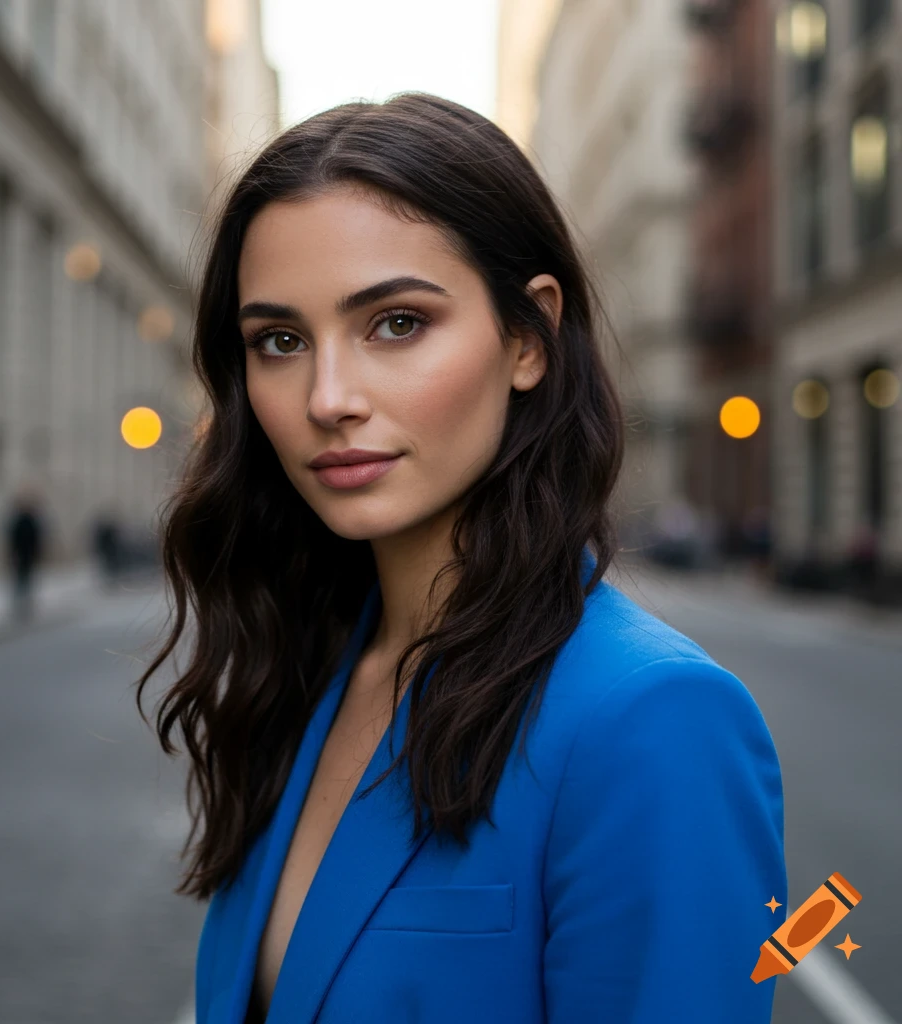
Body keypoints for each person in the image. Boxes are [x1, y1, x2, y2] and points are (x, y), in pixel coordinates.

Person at [136, 94, 786, 1024]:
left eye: (396, 323)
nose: (328, 397)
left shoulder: (651, 717)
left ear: (528, 337)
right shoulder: (303, 669)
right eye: (278, 341)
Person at [3, 490, 44, 620]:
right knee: (22, 580)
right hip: (23, 555)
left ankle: (23, 603)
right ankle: (22, 603)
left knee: (24, 580)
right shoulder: (23, 521)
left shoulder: (26, 520)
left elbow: (35, 539)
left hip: (25, 555)